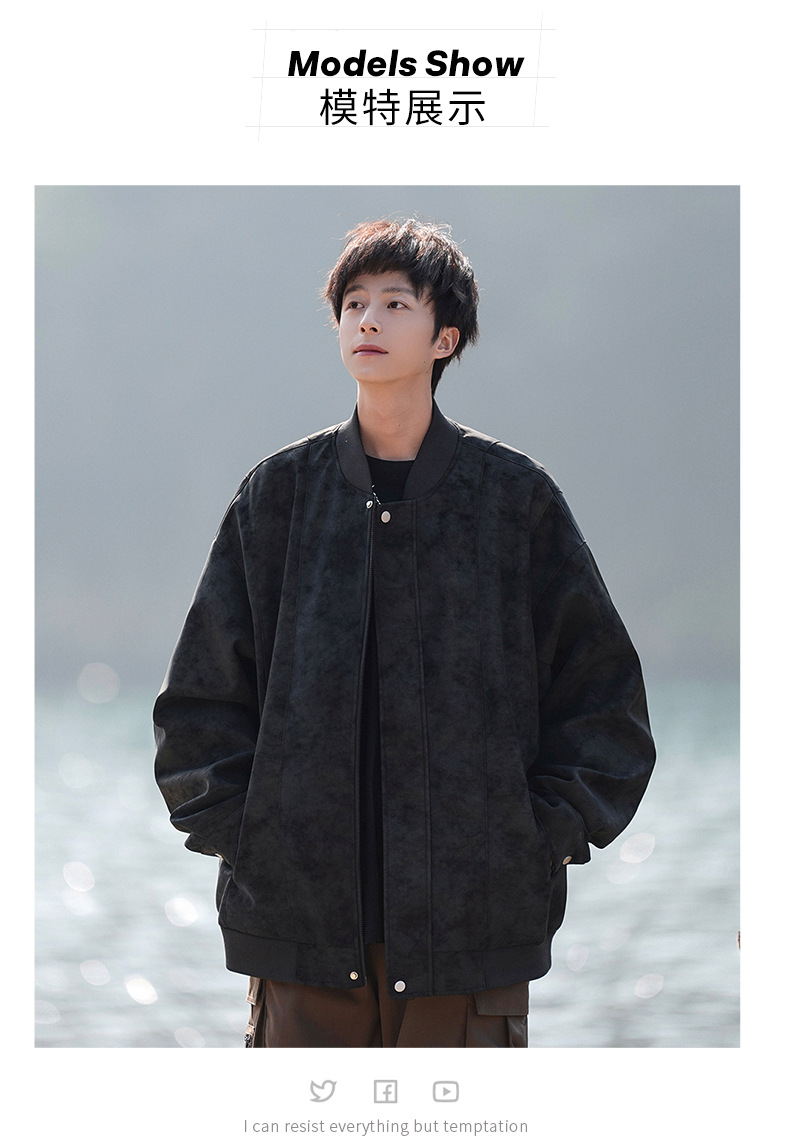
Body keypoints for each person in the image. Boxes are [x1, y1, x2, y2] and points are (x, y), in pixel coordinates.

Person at [153, 218, 656, 1048]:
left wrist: (532, 840)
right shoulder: (278, 498)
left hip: (471, 937)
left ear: (444, 337)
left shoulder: (514, 500)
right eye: (353, 304)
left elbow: (604, 700)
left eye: (395, 303)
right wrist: (251, 836)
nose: (368, 320)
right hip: (301, 935)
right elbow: (200, 703)